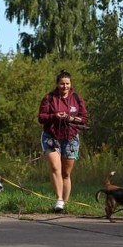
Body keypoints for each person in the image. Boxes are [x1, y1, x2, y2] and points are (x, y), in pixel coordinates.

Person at [38, 70, 89, 213]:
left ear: (70, 84)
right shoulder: (49, 98)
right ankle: (59, 199)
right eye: (62, 84)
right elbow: (41, 117)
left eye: (67, 84)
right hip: (51, 136)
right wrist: (55, 116)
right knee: (55, 168)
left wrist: (72, 118)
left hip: (71, 138)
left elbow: (84, 118)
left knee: (66, 173)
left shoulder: (77, 98)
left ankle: (65, 204)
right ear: (57, 84)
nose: (64, 86)